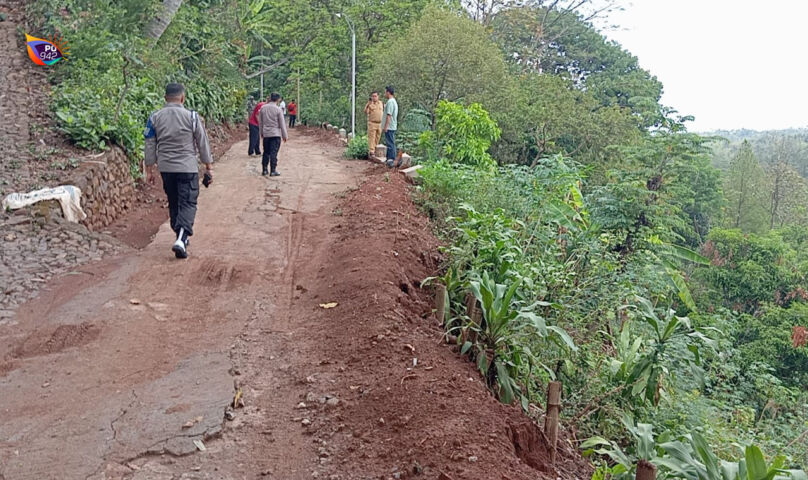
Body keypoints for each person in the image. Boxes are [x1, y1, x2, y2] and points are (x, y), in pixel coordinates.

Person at [144, 82, 213, 259]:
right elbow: (202, 141)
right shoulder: (192, 117)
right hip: (187, 167)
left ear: (165, 98)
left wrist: (149, 169)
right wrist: (208, 165)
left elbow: (150, 144)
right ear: (182, 98)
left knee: (174, 201)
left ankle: (179, 237)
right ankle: (182, 239)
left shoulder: (154, 117)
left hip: (166, 168)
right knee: (188, 202)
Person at [258, 92, 288, 177]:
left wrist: (261, 133)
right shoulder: (278, 109)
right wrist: (284, 135)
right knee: (274, 153)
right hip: (275, 134)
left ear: (270, 98)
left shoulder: (263, 108)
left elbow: (260, 122)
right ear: (278, 99)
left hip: (266, 134)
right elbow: (282, 124)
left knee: (266, 152)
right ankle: (273, 170)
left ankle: (264, 170)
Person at [382, 86, 399, 167]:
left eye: (385, 92)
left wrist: (386, 126)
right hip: (392, 126)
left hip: (390, 126)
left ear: (388, 92)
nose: (385, 94)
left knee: (390, 143)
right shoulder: (392, 102)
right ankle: (389, 158)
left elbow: (389, 115)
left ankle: (391, 159)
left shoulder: (390, 102)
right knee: (390, 142)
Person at [364, 91, 383, 157]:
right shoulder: (370, 104)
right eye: (373, 96)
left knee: (377, 137)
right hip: (372, 123)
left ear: (378, 97)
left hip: (380, 123)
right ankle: (371, 151)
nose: (374, 97)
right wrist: (368, 105)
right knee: (372, 138)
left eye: (375, 96)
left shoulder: (381, 103)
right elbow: (366, 112)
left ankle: (375, 149)